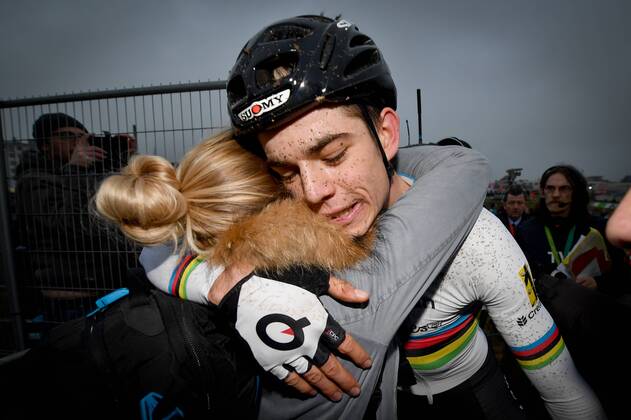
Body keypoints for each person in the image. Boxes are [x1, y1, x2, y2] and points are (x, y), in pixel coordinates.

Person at [139, 15, 603, 419]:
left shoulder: (479, 241)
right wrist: (230, 287)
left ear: (386, 133)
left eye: (335, 154)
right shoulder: (281, 212)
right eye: (286, 171)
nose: (315, 193)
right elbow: (156, 248)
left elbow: (563, 392)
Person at [15, 112, 137, 323]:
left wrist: (120, 161)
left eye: (83, 137)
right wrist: (75, 170)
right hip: (69, 292)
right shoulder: (31, 180)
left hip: (109, 283)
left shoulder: (91, 172)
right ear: (45, 145)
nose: (77, 142)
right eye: (67, 136)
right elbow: (72, 223)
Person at [518, 164, 631, 295]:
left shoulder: (599, 228)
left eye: (564, 189)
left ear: (576, 192)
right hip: (542, 310)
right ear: (543, 192)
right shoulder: (526, 230)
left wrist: (598, 283)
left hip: (588, 309)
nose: (555, 194)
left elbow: (623, 275)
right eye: (550, 188)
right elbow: (518, 275)